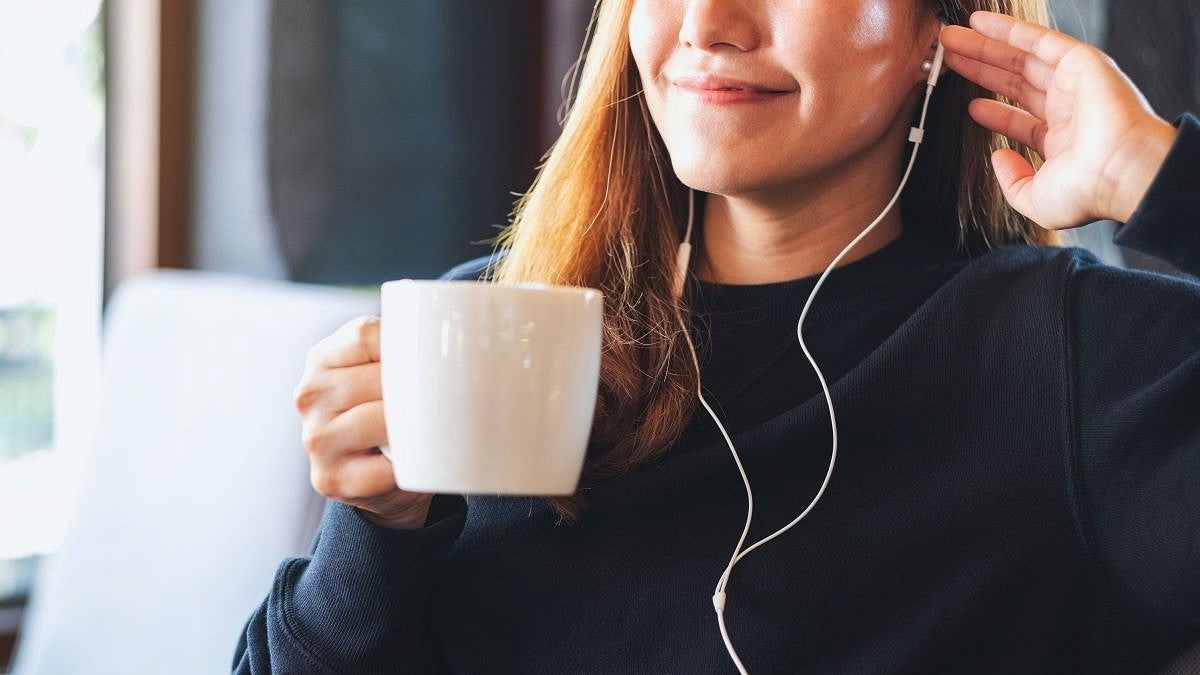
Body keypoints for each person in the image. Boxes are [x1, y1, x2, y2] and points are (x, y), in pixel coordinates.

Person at [235, 0, 1199, 672]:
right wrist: (375, 534)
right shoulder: (486, 332)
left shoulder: (1070, 357)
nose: (709, 23)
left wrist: (1155, 175)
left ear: (929, 34)